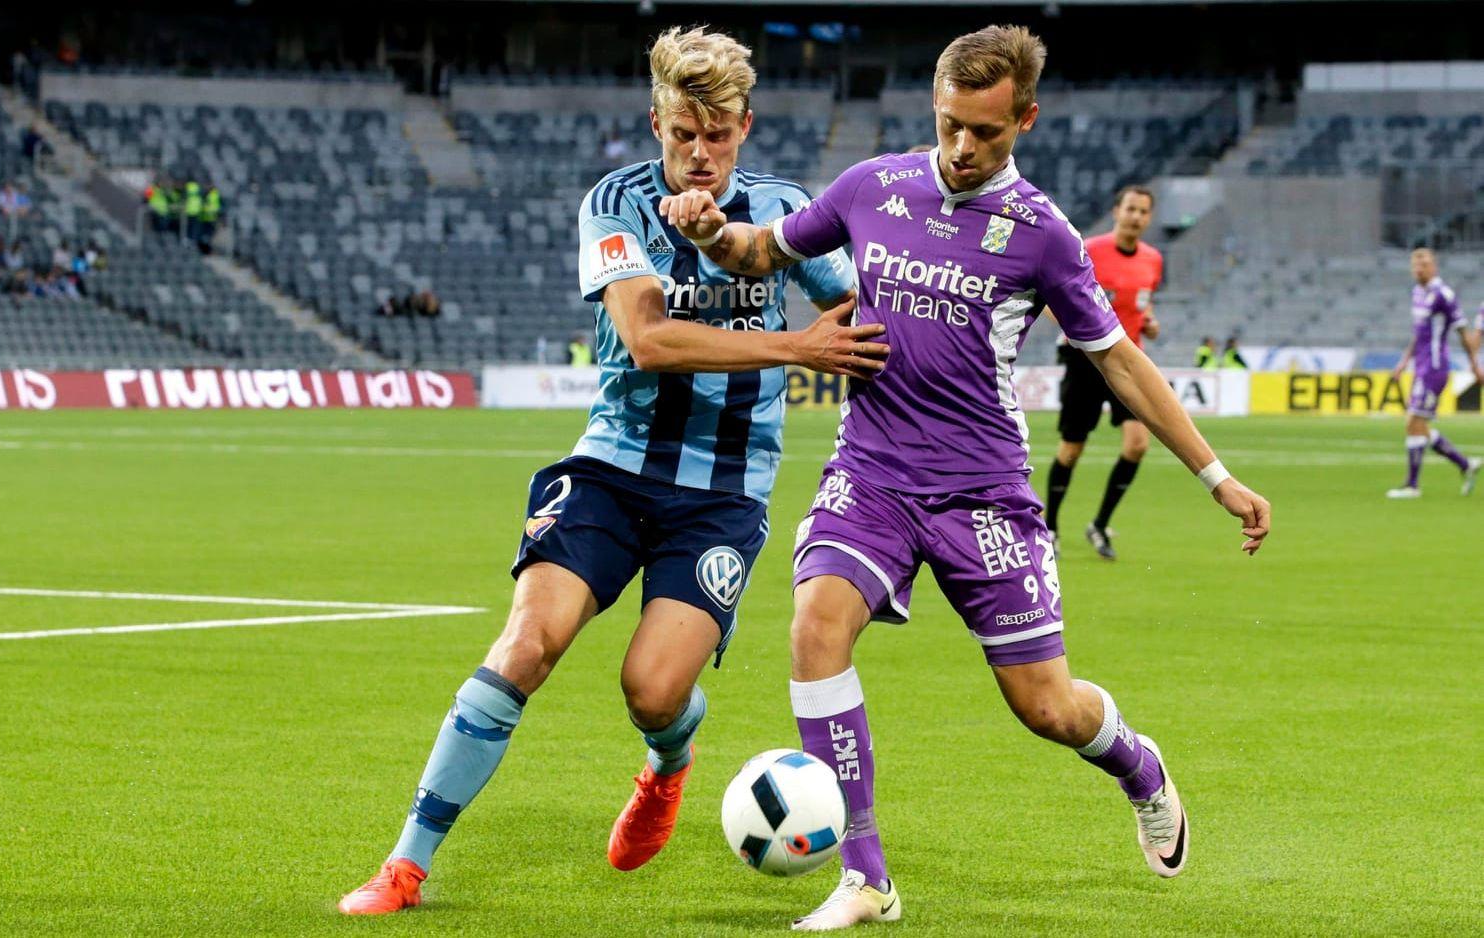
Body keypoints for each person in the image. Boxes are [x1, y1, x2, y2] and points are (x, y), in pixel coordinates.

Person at [662, 24, 1271, 930]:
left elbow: (1120, 361)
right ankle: (866, 877)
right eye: (949, 123)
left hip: (983, 494)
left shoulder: (1045, 236)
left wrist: (1216, 476)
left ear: (1024, 120)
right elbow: (763, 253)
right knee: (815, 628)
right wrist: (715, 232)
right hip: (871, 473)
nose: (960, 146)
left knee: (1047, 708)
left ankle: (1138, 766)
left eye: (984, 131)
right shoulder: (872, 186)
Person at [336, 26, 881, 917]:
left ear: (744, 128)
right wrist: (797, 346)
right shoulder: (616, 202)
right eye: (682, 134)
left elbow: (855, 308)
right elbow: (648, 338)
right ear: (657, 124)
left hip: (723, 494)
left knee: (654, 691)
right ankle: (404, 864)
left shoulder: (784, 210)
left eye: (717, 135)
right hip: (612, 466)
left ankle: (669, 761)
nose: (699, 153)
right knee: (525, 645)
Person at [1043, 184, 1163, 559]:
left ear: (1150, 218)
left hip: (1128, 359)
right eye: (1131, 209)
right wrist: (1074, 326)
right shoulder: (1089, 250)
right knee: (1072, 449)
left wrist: (1149, 322)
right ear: (1116, 211)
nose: (1136, 217)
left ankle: (1099, 525)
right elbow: (1051, 297)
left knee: (1138, 444)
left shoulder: (1153, 259)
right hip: (1085, 358)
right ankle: (1050, 528)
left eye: (1143, 211)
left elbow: (1142, 303)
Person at [1385, 248, 1483, 499]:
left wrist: (1474, 364)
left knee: (1413, 422)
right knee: (1418, 425)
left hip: (1435, 367)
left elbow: (1462, 332)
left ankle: (1412, 486)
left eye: (1425, 265)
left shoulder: (1444, 295)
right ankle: (1465, 464)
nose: (1420, 269)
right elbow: (1418, 333)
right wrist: (1404, 361)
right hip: (1421, 366)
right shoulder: (1418, 293)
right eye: (1416, 265)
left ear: (1434, 267)